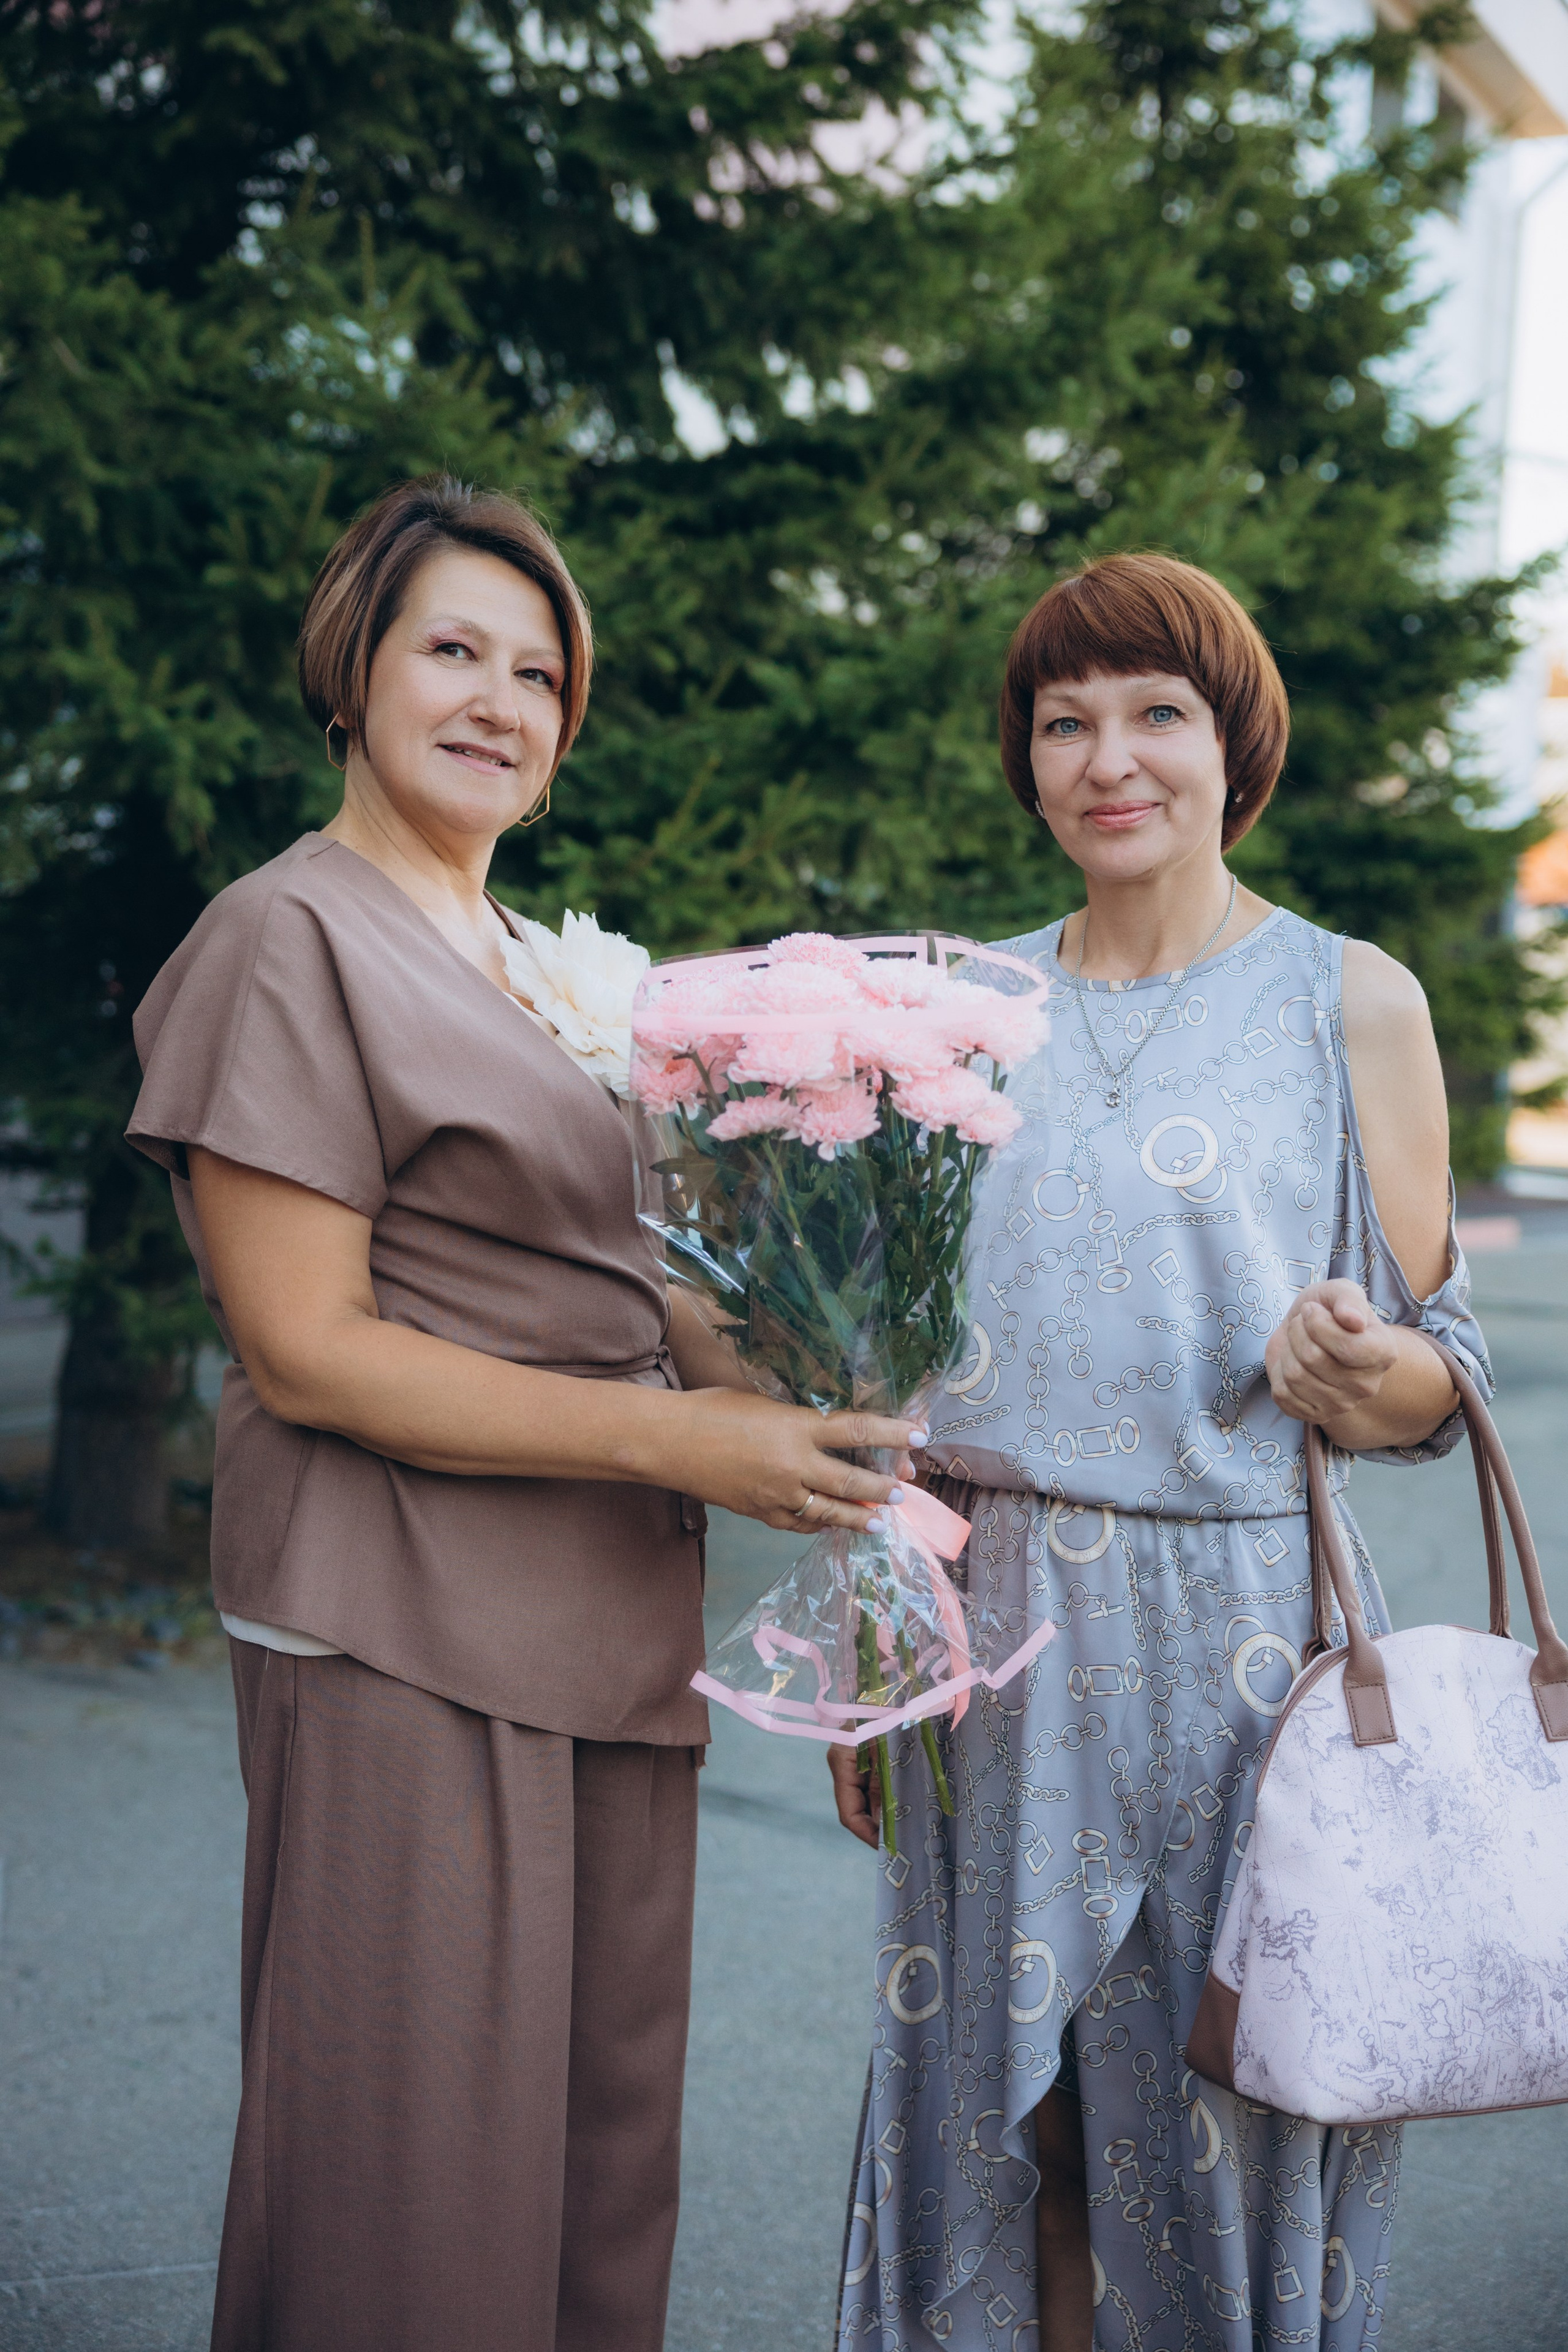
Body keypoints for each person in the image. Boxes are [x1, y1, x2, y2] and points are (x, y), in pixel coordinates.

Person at [126, 474, 919, 2352]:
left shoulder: (560, 974)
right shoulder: (288, 935)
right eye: (453, 651)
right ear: (355, 670)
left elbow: (632, 1285)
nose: (498, 699)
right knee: (414, 2189)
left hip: (604, 1635)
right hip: (406, 1621)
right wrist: (680, 1442)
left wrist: (817, 1389)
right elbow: (309, 1344)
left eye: (539, 674)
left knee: (590, 2168)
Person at [827, 551, 1490, 2351]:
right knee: (1006, 2129)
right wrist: (878, 1662)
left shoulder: (1354, 1000)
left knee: (1224, 2131)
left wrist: (1369, 1370)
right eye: (1066, 722)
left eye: (1156, 714)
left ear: (1234, 743)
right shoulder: (958, 1011)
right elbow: (882, 1367)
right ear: (1028, 759)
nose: (1110, 758)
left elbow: (1442, 1365)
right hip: (992, 1646)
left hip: (1241, 1651)